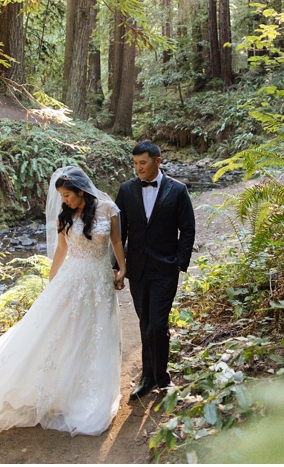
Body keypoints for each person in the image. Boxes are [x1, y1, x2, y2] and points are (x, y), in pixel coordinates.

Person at [0, 166, 125, 436]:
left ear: (81, 190)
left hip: (99, 280)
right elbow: (62, 250)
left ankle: (90, 393)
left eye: (68, 195)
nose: (65, 200)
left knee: (97, 334)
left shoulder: (109, 208)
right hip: (71, 279)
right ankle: (57, 391)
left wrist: (122, 268)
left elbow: (117, 241)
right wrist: (52, 284)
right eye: (61, 196)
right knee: (63, 333)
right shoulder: (65, 216)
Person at [117, 140, 195, 400]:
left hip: (165, 268)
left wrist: (179, 262)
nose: (138, 168)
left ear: (157, 162)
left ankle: (162, 378)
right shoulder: (126, 191)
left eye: (143, 163)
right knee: (145, 323)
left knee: (157, 325)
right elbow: (120, 234)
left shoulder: (178, 190)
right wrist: (118, 266)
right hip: (137, 269)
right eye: (135, 163)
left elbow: (188, 229)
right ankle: (148, 378)